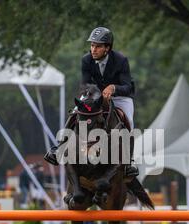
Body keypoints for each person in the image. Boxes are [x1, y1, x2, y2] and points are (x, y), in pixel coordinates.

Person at [45, 27, 139, 177]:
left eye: (98, 46)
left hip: (120, 96)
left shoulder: (121, 60)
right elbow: (85, 84)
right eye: (92, 45)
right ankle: (59, 147)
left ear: (107, 48)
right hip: (95, 94)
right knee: (76, 111)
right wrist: (95, 93)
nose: (93, 49)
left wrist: (113, 88)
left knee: (128, 121)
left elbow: (127, 86)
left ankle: (129, 162)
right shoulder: (86, 59)